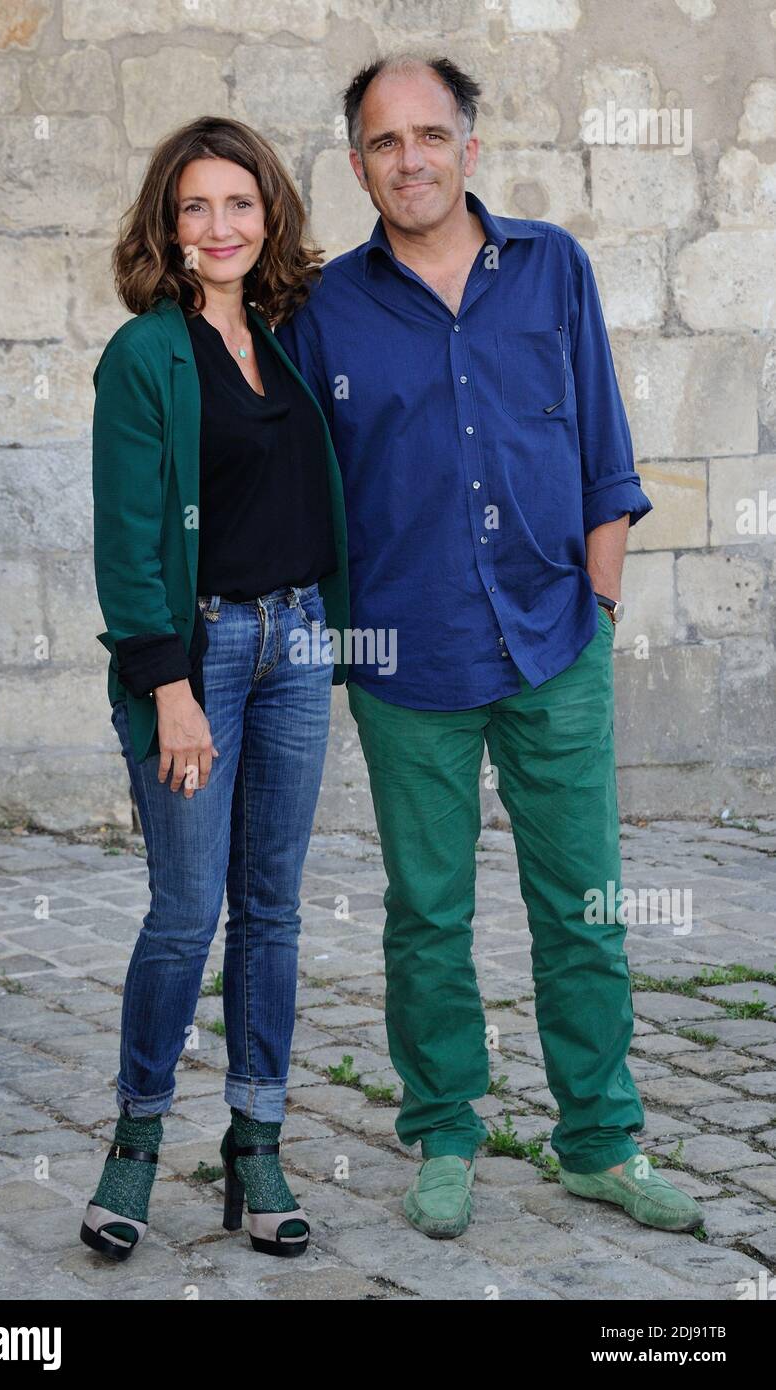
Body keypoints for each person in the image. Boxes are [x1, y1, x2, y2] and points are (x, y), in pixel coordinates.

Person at [277, 53, 705, 1239]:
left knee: (583, 904)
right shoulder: (322, 306)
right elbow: (301, 488)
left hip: (554, 640)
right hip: (404, 660)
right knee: (426, 914)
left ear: (468, 145)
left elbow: (603, 451)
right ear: (356, 161)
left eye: (428, 134)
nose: (407, 158)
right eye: (381, 141)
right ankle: (446, 1132)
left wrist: (601, 607)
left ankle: (599, 1141)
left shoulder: (551, 266)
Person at [82, 116, 350, 1260]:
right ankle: (134, 1147)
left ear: (270, 213)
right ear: (167, 224)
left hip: (298, 645)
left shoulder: (292, 333)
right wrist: (167, 688)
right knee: (186, 912)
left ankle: (258, 1142)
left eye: (237, 204)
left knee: (275, 909)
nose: (219, 226)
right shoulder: (143, 355)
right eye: (194, 207)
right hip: (198, 660)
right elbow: (126, 538)